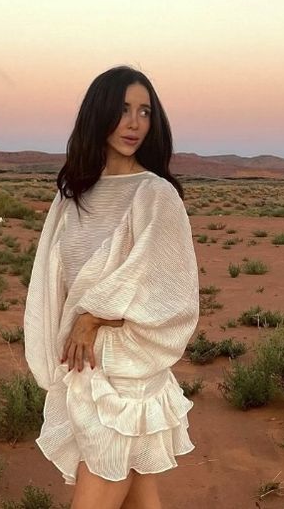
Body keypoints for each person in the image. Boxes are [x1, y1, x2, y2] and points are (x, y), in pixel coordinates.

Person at [24, 66, 200, 509]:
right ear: (98, 114)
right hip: (85, 370)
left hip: (127, 376)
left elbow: (170, 294)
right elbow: (56, 278)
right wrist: (71, 326)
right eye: (123, 110)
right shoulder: (72, 195)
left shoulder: (155, 195)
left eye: (144, 111)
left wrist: (93, 314)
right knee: (139, 498)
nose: (135, 123)